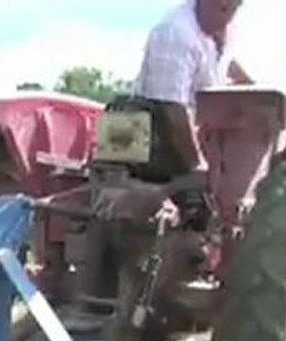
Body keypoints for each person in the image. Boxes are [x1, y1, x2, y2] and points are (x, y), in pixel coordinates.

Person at [94, 0, 253, 218]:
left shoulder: (224, 28)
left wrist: (251, 86)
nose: (229, 10)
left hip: (190, 128)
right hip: (152, 136)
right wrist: (199, 167)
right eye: (223, 5)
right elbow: (172, 108)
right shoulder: (175, 32)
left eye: (235, 5)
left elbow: (225, 60)